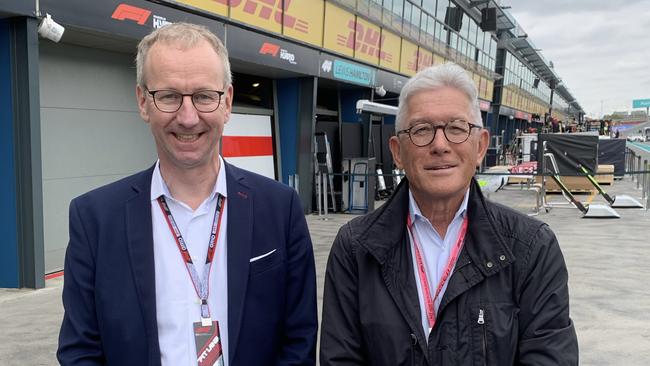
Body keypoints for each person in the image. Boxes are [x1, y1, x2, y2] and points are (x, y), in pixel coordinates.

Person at [57, 23, 317, 366]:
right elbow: (80, 350)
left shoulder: (279, 208)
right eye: (168, 96)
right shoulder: (95, 218)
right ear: (143, 102)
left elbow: (299, 340)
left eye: (203, 96)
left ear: (227, 102)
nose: (188, 116)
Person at [320, 63, 578, 365]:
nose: (440, 145)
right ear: (397, 151)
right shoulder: (355, 248)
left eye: (456, 128)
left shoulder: (531, 247)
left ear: (480, 146)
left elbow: (549, 358)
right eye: (421, 130)